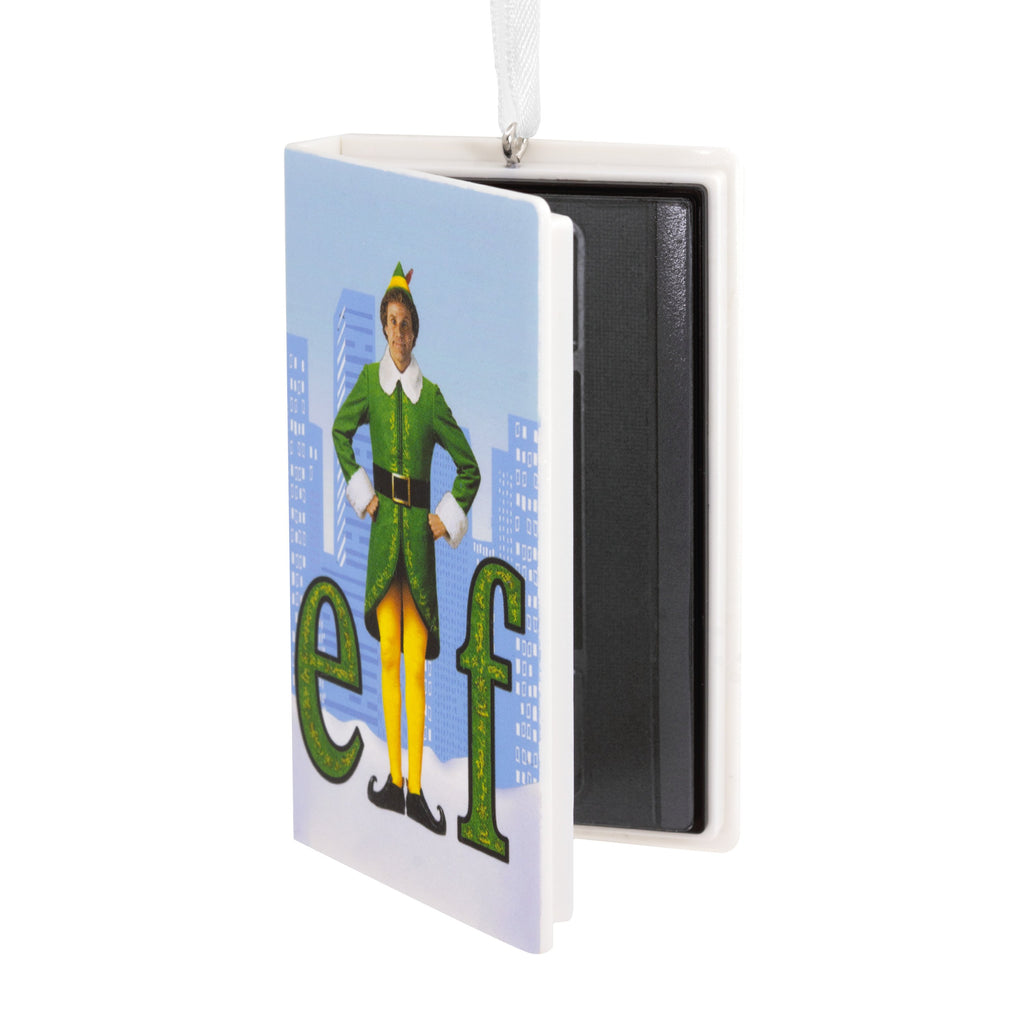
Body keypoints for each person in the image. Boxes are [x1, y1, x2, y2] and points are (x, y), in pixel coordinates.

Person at [332, 263, 480, 834]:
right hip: (381, 541)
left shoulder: (431, 397)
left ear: (416, 330)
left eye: (405, 322)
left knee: (414, 666)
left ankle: (416, 789)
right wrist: (361, 492)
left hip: (416, 542)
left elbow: (468, 467)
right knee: (388, 659)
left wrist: (446, 516)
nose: (398, 331)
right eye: (390, 321)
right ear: (384, 326)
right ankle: (393, 780)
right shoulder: (370, 383)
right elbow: (341, 433)